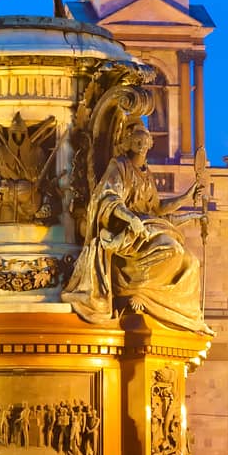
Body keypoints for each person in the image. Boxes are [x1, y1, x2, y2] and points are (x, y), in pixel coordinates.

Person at [63, 120, 207, 334]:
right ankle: (138, 289)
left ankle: (178, 313)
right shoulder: (119, 166)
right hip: (128, 234)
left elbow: (157, 209)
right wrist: (131, 219)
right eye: (137, 140)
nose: (141, 144)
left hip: (148, 228)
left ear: (150, 144)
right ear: (128, 143)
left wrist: (188, 200)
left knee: (192, 262)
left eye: (145, 141)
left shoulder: (146, 173)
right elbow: (109, 197)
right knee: (172, 250)